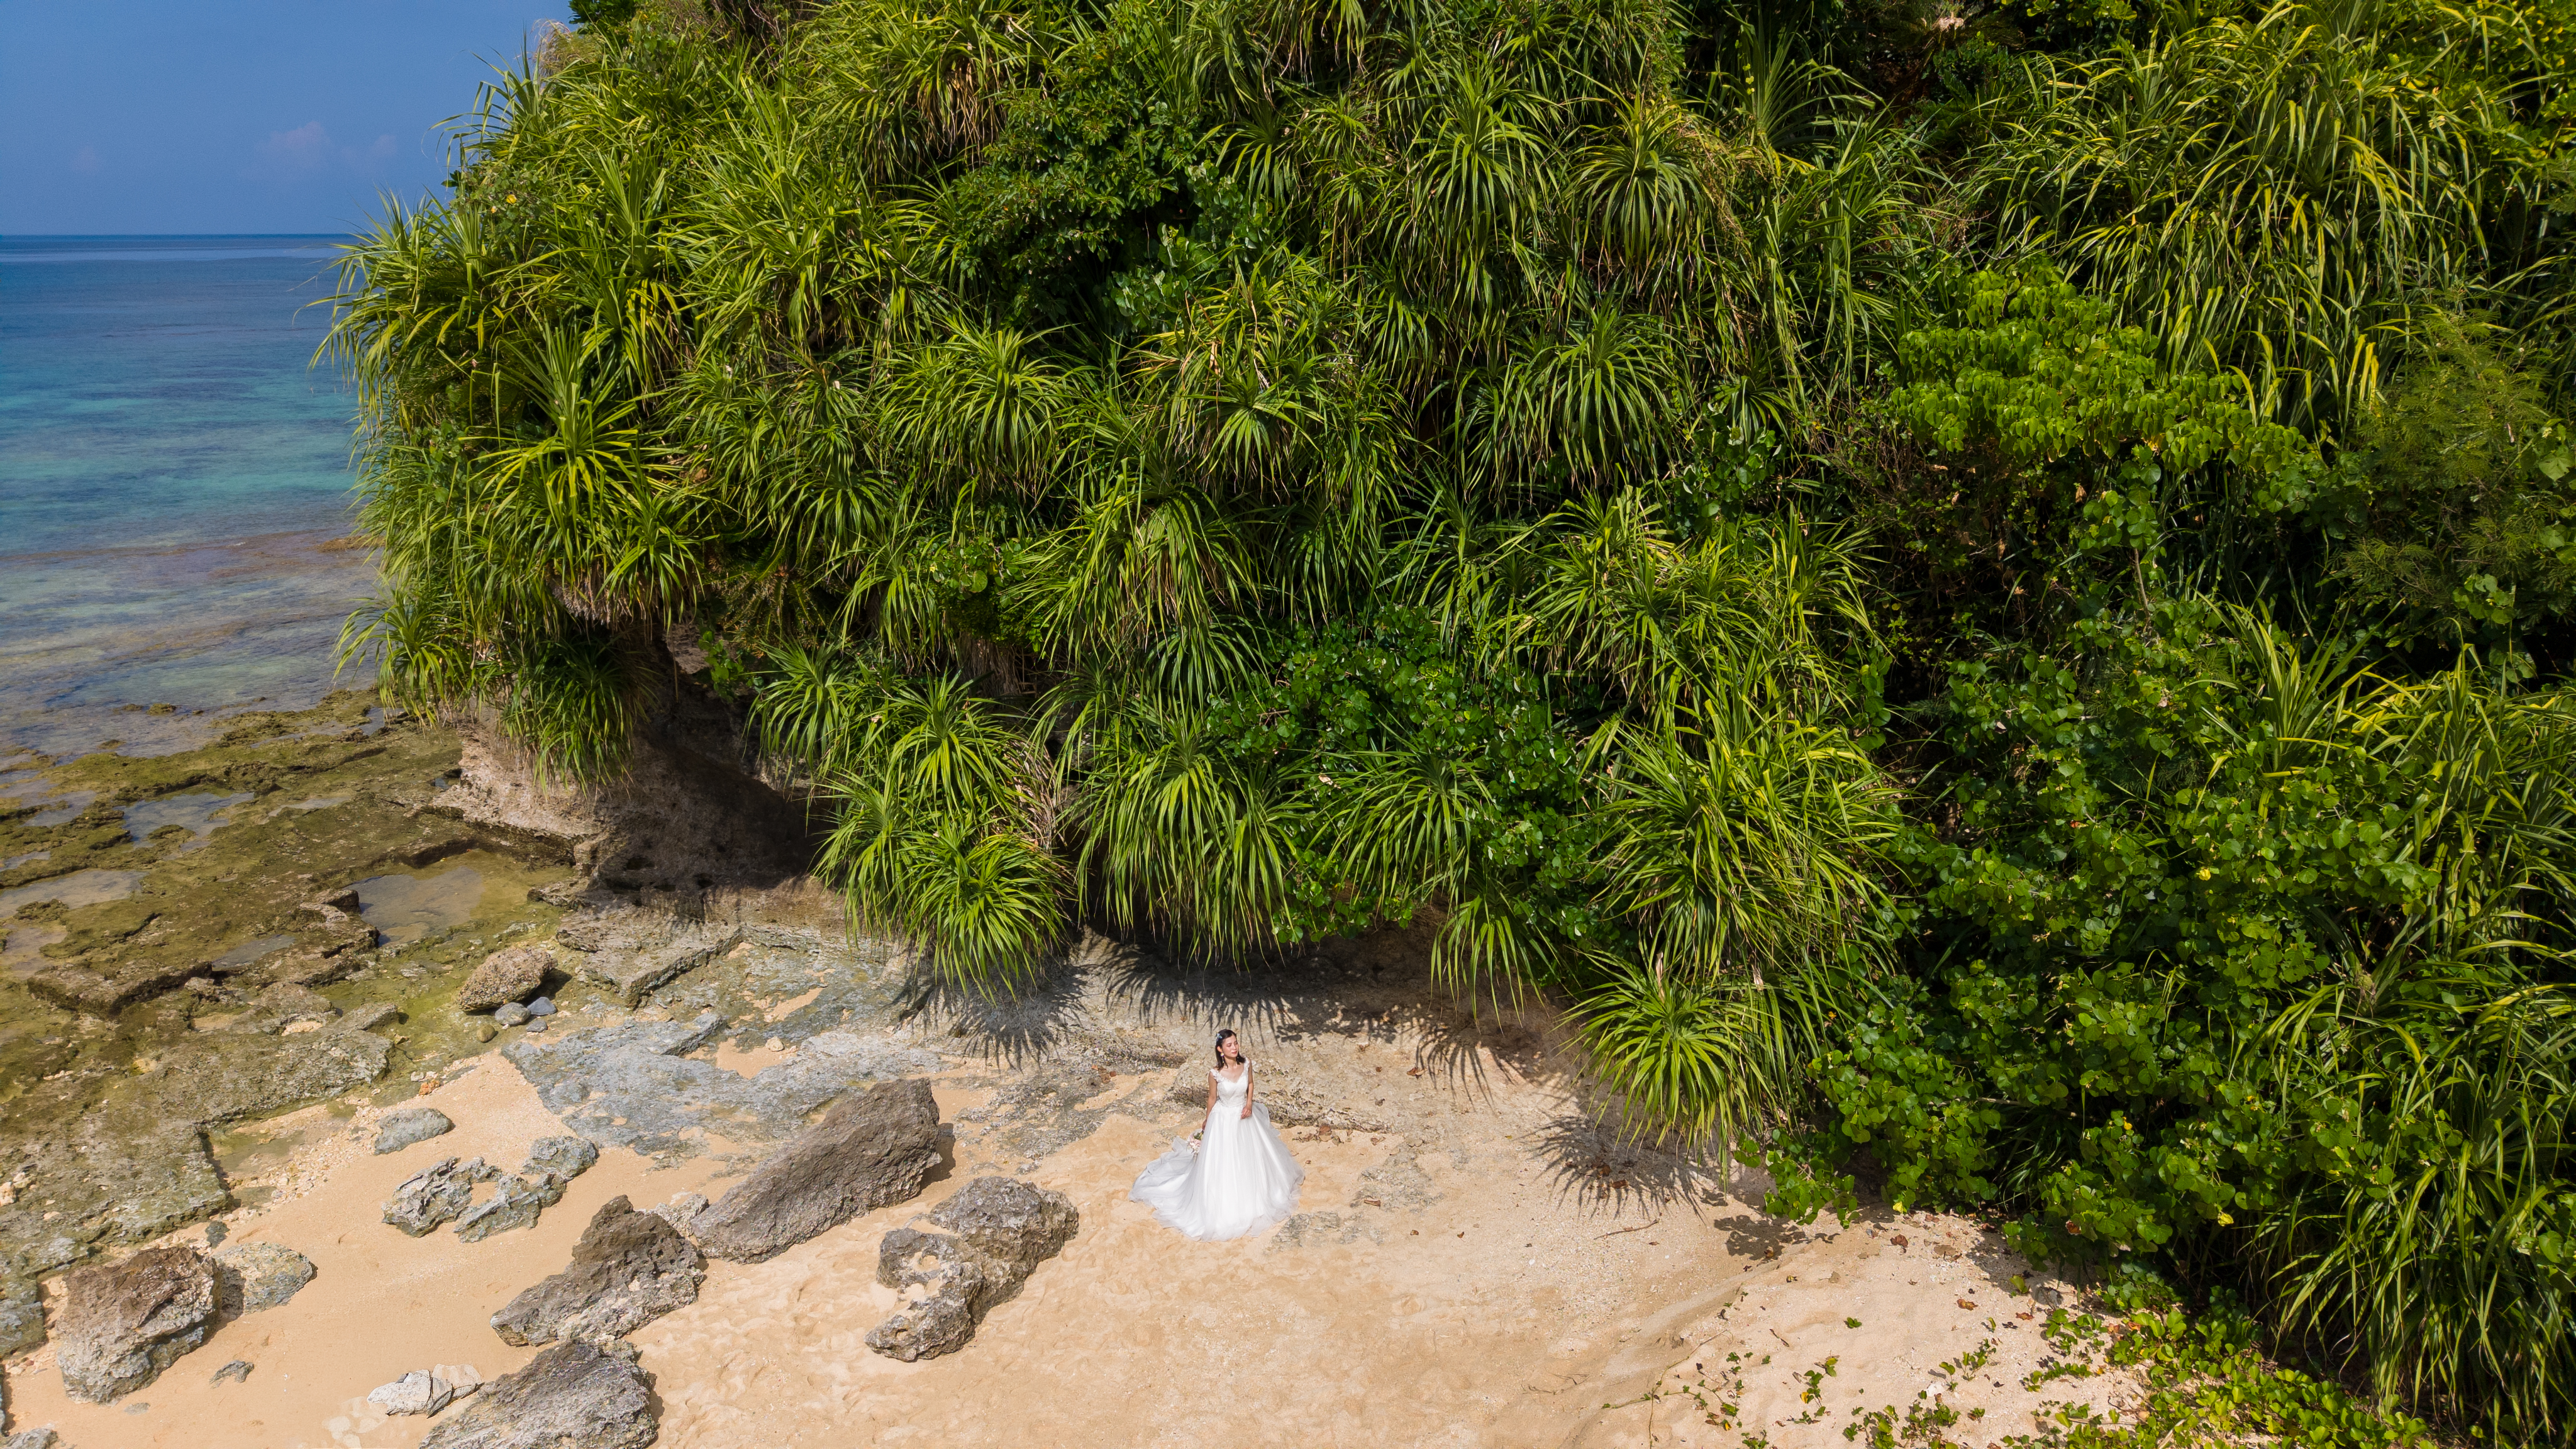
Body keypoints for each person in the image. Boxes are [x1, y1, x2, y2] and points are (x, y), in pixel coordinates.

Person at [1129, 1028, 1304, 1240]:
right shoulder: (1215, 1074)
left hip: (1245, 1116)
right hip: (1223, 1119)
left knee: (1252, 1158)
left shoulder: (1246, 1064)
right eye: (1229, 1045)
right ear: (1220, 1050)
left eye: (1236, 1043)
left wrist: (1249, 1104)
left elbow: (1250, 1084)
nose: (1234, 1048)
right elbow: (1212, 1099)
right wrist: (1208, 1120)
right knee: (1224, 1161)